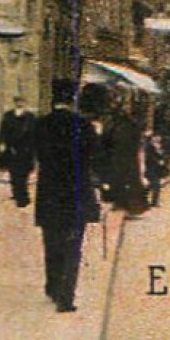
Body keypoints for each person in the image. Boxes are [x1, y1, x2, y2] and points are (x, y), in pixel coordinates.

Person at [34, 80, 99, 313]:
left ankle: (52, 287)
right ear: (73, 99)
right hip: (76, 194)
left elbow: (36, 155)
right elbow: (94, 159)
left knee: (51, 244)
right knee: (73, 246)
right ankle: (65, 296)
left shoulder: (41, 125)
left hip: (49, 194)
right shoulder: (83, 126)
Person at [0, 97, 37, 208]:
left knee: (24, 173)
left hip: (26, 149)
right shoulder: (8, 116)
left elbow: (34, 133)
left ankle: (23, 195)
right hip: (12, 148)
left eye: (22, 101)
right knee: (13, 173)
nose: (20, 103)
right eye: (18, 102)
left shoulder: (30, 117)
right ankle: (17, 193)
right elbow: (3, 130)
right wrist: (2, 143)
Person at [143, 130, 169, 208]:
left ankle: (153, 201)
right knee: (153, 185)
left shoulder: (154, 146)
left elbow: (161, 155)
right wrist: (158, 160)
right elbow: (150, 157)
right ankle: (151, 201)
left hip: (153, 168)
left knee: (153, 185)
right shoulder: (148, 146)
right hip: (151, 168)